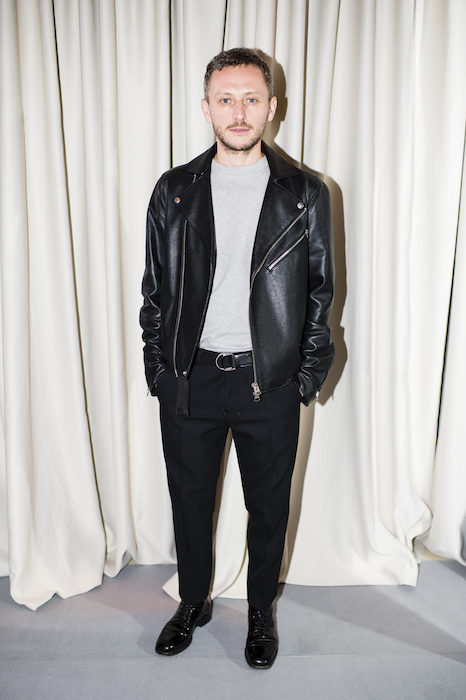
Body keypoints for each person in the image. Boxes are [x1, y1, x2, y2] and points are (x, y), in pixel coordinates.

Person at [140, 47, 335, 670]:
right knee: (189, 503)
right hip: (190, 380)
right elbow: (154, 292)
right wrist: (159, 372)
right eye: (226, 99)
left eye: (252, 98)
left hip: (268, 381)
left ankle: (259, 613)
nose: (239, 111)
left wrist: (303, 377)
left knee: (268, 510)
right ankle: (192, 601)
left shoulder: (304, 194)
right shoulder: (174, 191)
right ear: (207, 108)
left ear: (272, 106)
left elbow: (321, 294)